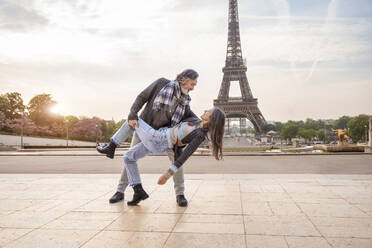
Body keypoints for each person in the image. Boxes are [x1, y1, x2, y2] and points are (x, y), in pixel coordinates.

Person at [97, 69, 199, 207]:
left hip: (165, 135)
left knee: (177, 161)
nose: (193, 87)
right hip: (143, 128)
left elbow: (191, 117)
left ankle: (180, 194)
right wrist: (133, 113)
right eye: (192, 84)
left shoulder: (185, 101)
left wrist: (201, 124)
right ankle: (120, 191)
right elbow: (142, 97)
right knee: (130, 157)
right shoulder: (161, 83)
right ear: (184, 80)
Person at [123, 107, 225, 205]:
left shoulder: (200, 135)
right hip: (159, 135)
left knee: (133, 118)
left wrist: (167, 175)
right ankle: (138, 191)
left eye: (208, 111)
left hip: (159, 139)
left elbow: (184, 156)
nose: (205, 110)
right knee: (128, 157)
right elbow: (186, 108)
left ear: (212, 118)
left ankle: (112, 144)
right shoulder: (196, 121)